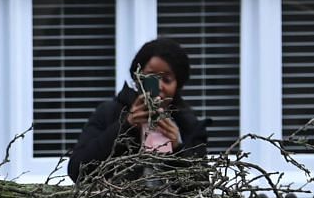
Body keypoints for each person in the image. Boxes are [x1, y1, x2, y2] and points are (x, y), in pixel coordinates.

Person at [68, 38, 209, 182]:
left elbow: (201, 187)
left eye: (166, 79)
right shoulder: (110, 112)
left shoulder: (187, 123)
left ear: (177, 85)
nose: (159, 86)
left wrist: (178, 148)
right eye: (150, 78)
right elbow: (76, 170)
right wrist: (125, 126)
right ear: (136, 78)